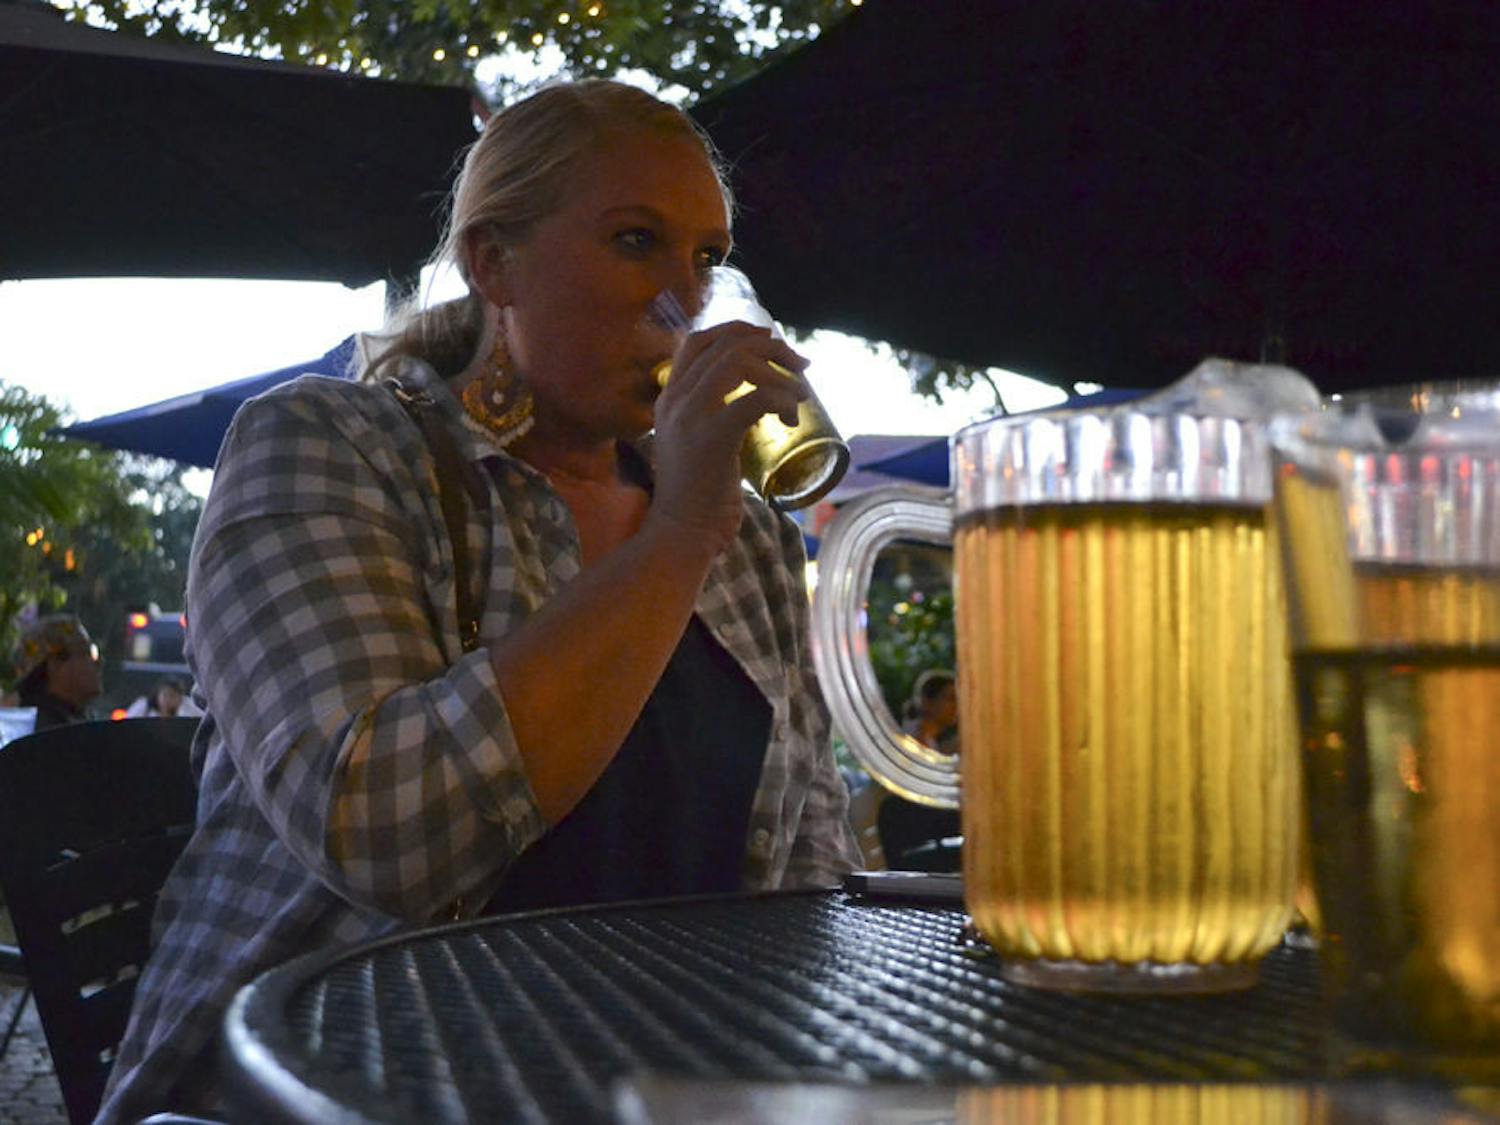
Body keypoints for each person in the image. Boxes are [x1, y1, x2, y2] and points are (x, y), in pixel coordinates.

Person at [98, 79, 861, 1122]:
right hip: (326, 1080)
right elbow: (383, 835)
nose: (681, 302)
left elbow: (809, 860)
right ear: (492, 262)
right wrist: (680, 530)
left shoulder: (746, 538)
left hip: (651, 1084)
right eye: (636, 241)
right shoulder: (330, 449)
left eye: (707, 260)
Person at [878, 670, 961, 870]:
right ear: (926, 701)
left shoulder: (931, 742)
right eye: (950, 698)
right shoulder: (914, 742)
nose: (956, 707)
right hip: (913, 836)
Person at [8, 614, 102, 731]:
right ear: (55, 665)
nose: (98, 662)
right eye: (88, 652)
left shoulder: (79, 721)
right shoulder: (37, 734)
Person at [123, 675, 199, 719]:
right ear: (157, 694)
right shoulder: (143, 706)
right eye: (165, 695)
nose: (168, 700)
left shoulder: (186, 709)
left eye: (172, 696)